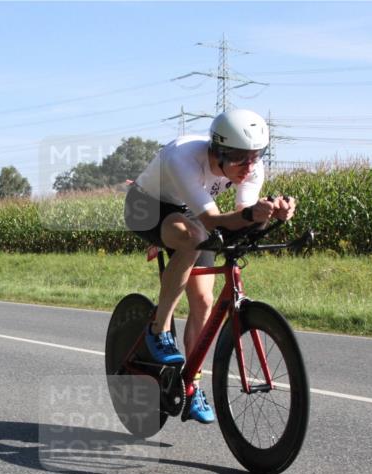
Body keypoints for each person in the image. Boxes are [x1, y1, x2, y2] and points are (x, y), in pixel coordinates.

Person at [124, 109, 296, 424]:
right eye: (240, 159)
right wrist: (249, 217)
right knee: (193, 236)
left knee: (203, 301)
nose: (248, 167)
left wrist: (272, 213)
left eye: (255, 157)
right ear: (218, 151)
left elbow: (241, 219)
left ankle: (191, 386)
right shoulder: (184, 156)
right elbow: (215, 221)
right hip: (147, 205)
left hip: (191, 212)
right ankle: (156, 330)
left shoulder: (251, 169)